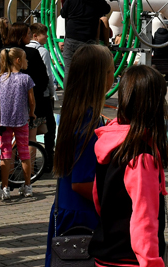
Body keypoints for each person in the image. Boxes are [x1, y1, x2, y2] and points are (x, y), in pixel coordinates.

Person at [90, 65, 168, 267]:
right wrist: (151, 262)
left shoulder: (109, 142)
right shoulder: (141, 156)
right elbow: (144, 219)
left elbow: (98, 197)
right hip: (130, 259)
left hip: (106, 253)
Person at [45, 44, 112, 267]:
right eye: (112, 72)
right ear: (99, 78)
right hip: (81, 216)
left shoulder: (76, 111)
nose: (115, 77)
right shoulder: (87, 119)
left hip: (68, 210)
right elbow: (82, 182)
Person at [0, 23, 51, 171]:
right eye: (27, 33)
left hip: (6, 105)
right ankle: (30, 170)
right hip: (30, 104)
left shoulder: (3, 52)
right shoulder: (31, 53)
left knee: (8, 141)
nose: (29, 35)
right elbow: (43, 78)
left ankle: (9, 170)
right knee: (30, 138)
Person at [0, 47, 36, 199]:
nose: (27, 61)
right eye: (25, 58)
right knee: (24, 152)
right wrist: (32, 112)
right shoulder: (26, 79)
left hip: (5, 120)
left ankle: (5, 187)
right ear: (18, 61)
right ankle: (27, 186)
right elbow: (31, 100)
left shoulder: (0, 78)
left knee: (5, 153)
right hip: (22, 120)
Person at [60, 0, 112, 76]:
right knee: (86, 73)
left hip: (72, 38)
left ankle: (68, 91)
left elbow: (63, 14)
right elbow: (107, 9)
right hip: (88, 40)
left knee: (69, 71)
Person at [28, 23, 58, 169]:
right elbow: (48, 73)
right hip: (43, 95)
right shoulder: (42, 51)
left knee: (30, 128)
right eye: (44, 34)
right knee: (49, 127)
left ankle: (29, 162)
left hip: (29, 94)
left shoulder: (24, 49)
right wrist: (52, 93)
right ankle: (48, 159)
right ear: (35, 35)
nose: (46, 36)